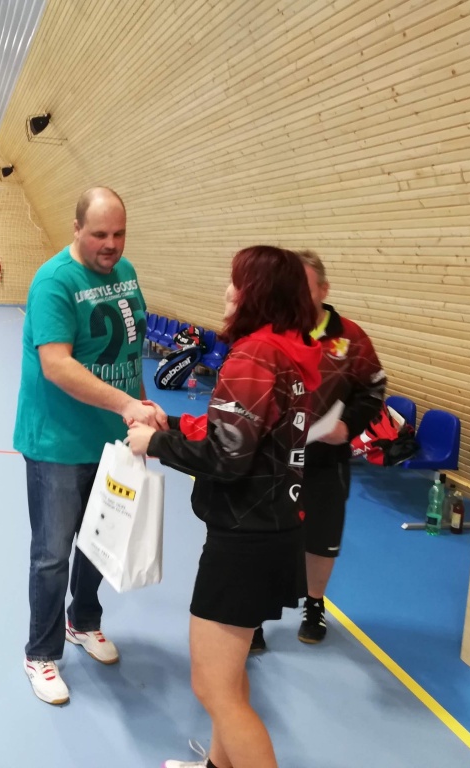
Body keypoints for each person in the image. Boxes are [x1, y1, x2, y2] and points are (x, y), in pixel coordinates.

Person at [127, 245, 322, 768]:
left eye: (236, 282)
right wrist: (174, 423)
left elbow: (227, 457)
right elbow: (246, 434)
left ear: (256, 292)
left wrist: (156, 443)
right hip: (272, 529)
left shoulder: (253, 356)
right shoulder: (288, 351)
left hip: (245, 540)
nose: (227, 291)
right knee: (229, 680)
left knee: (213, 688)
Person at [13, 186, 167, 706]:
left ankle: (82, 621)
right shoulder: (54, 282)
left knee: (101, 542)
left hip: (111, 440)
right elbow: (57, 365)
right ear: (76, 228)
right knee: (52, 554)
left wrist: (141, 408)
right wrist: (126, 405)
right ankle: (40, 653)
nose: (111, 244)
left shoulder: (125, 273)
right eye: (100, 234)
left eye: (120, 233)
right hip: (57, 443)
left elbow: (128, 353)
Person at [251, 250, 386, 652]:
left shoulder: (350, 337)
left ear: (324, 290)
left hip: (326, 458)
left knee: (321, 538)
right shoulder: (269, 331)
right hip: (273, 456)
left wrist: (348, 427)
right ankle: (253, 613)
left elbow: (373, 388)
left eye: (303, 286)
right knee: (262, 535)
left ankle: (314, 605)